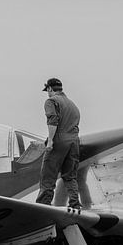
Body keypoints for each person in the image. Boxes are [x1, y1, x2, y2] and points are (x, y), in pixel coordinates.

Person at [36, 77, 81, 209]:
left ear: (50, 88)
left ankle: (43, 207)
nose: (48, 93)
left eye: (47, 90)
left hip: (59, 140)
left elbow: (52, 120)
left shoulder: (51, 101)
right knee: (70, 176)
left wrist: (50, 141)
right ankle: (75, 204)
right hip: (74, 142)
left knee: (48, 177)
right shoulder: (72, 104)